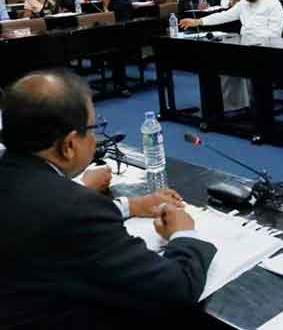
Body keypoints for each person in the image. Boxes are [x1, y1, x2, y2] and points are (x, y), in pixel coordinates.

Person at [0, 69, 216, 329]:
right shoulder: (74, 210)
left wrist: (130, 205)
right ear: (69, 145)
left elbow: (41, 215)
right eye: (93, 128)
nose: (95, 137)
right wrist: (184, 234)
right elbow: (176, 290)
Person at [180, 0, 283, 111]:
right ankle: (225, 106)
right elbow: (225, 16)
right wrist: (198, 21)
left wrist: (249, 41)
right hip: (244, 48)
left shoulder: (273, 4)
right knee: (216, 63)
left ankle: (234, 105)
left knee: (230, 63)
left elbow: (275, 34)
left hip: (265, 49)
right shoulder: (244, 3)